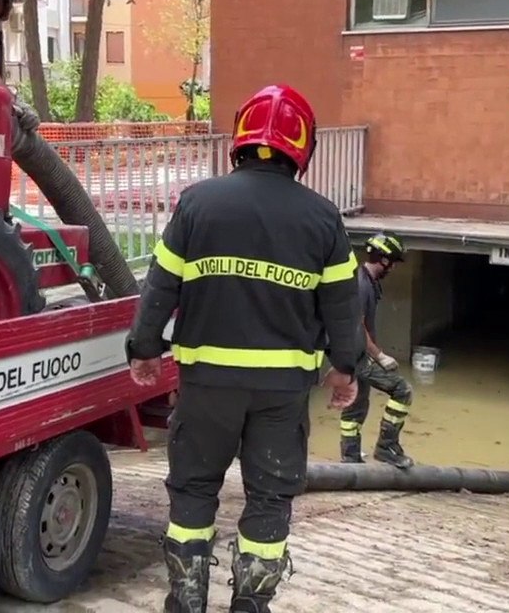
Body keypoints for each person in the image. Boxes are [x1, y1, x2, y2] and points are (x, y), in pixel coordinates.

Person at [125, 84, 364, 613]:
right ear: (301, 147)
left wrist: (144, 349)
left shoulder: (197, 204)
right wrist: (345, 369)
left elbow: (161, 283)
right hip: (281, 393)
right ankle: (251, 604)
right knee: (270, 497)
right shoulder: (323, 218)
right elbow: (343, 305)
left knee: (193, 490)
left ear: (241, 137)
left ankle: (186, 599)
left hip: (206, 384)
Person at [338, 231, 415, 469]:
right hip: (357, 355)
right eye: (392, 262)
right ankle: (386, 447)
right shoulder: (362, 285)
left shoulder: (365, 281)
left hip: (348, 354)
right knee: (402, 390)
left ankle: (350, 459)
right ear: (383, 260)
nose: (393, 268)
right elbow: (358, 325)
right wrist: (379, 356)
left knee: (356, 406)